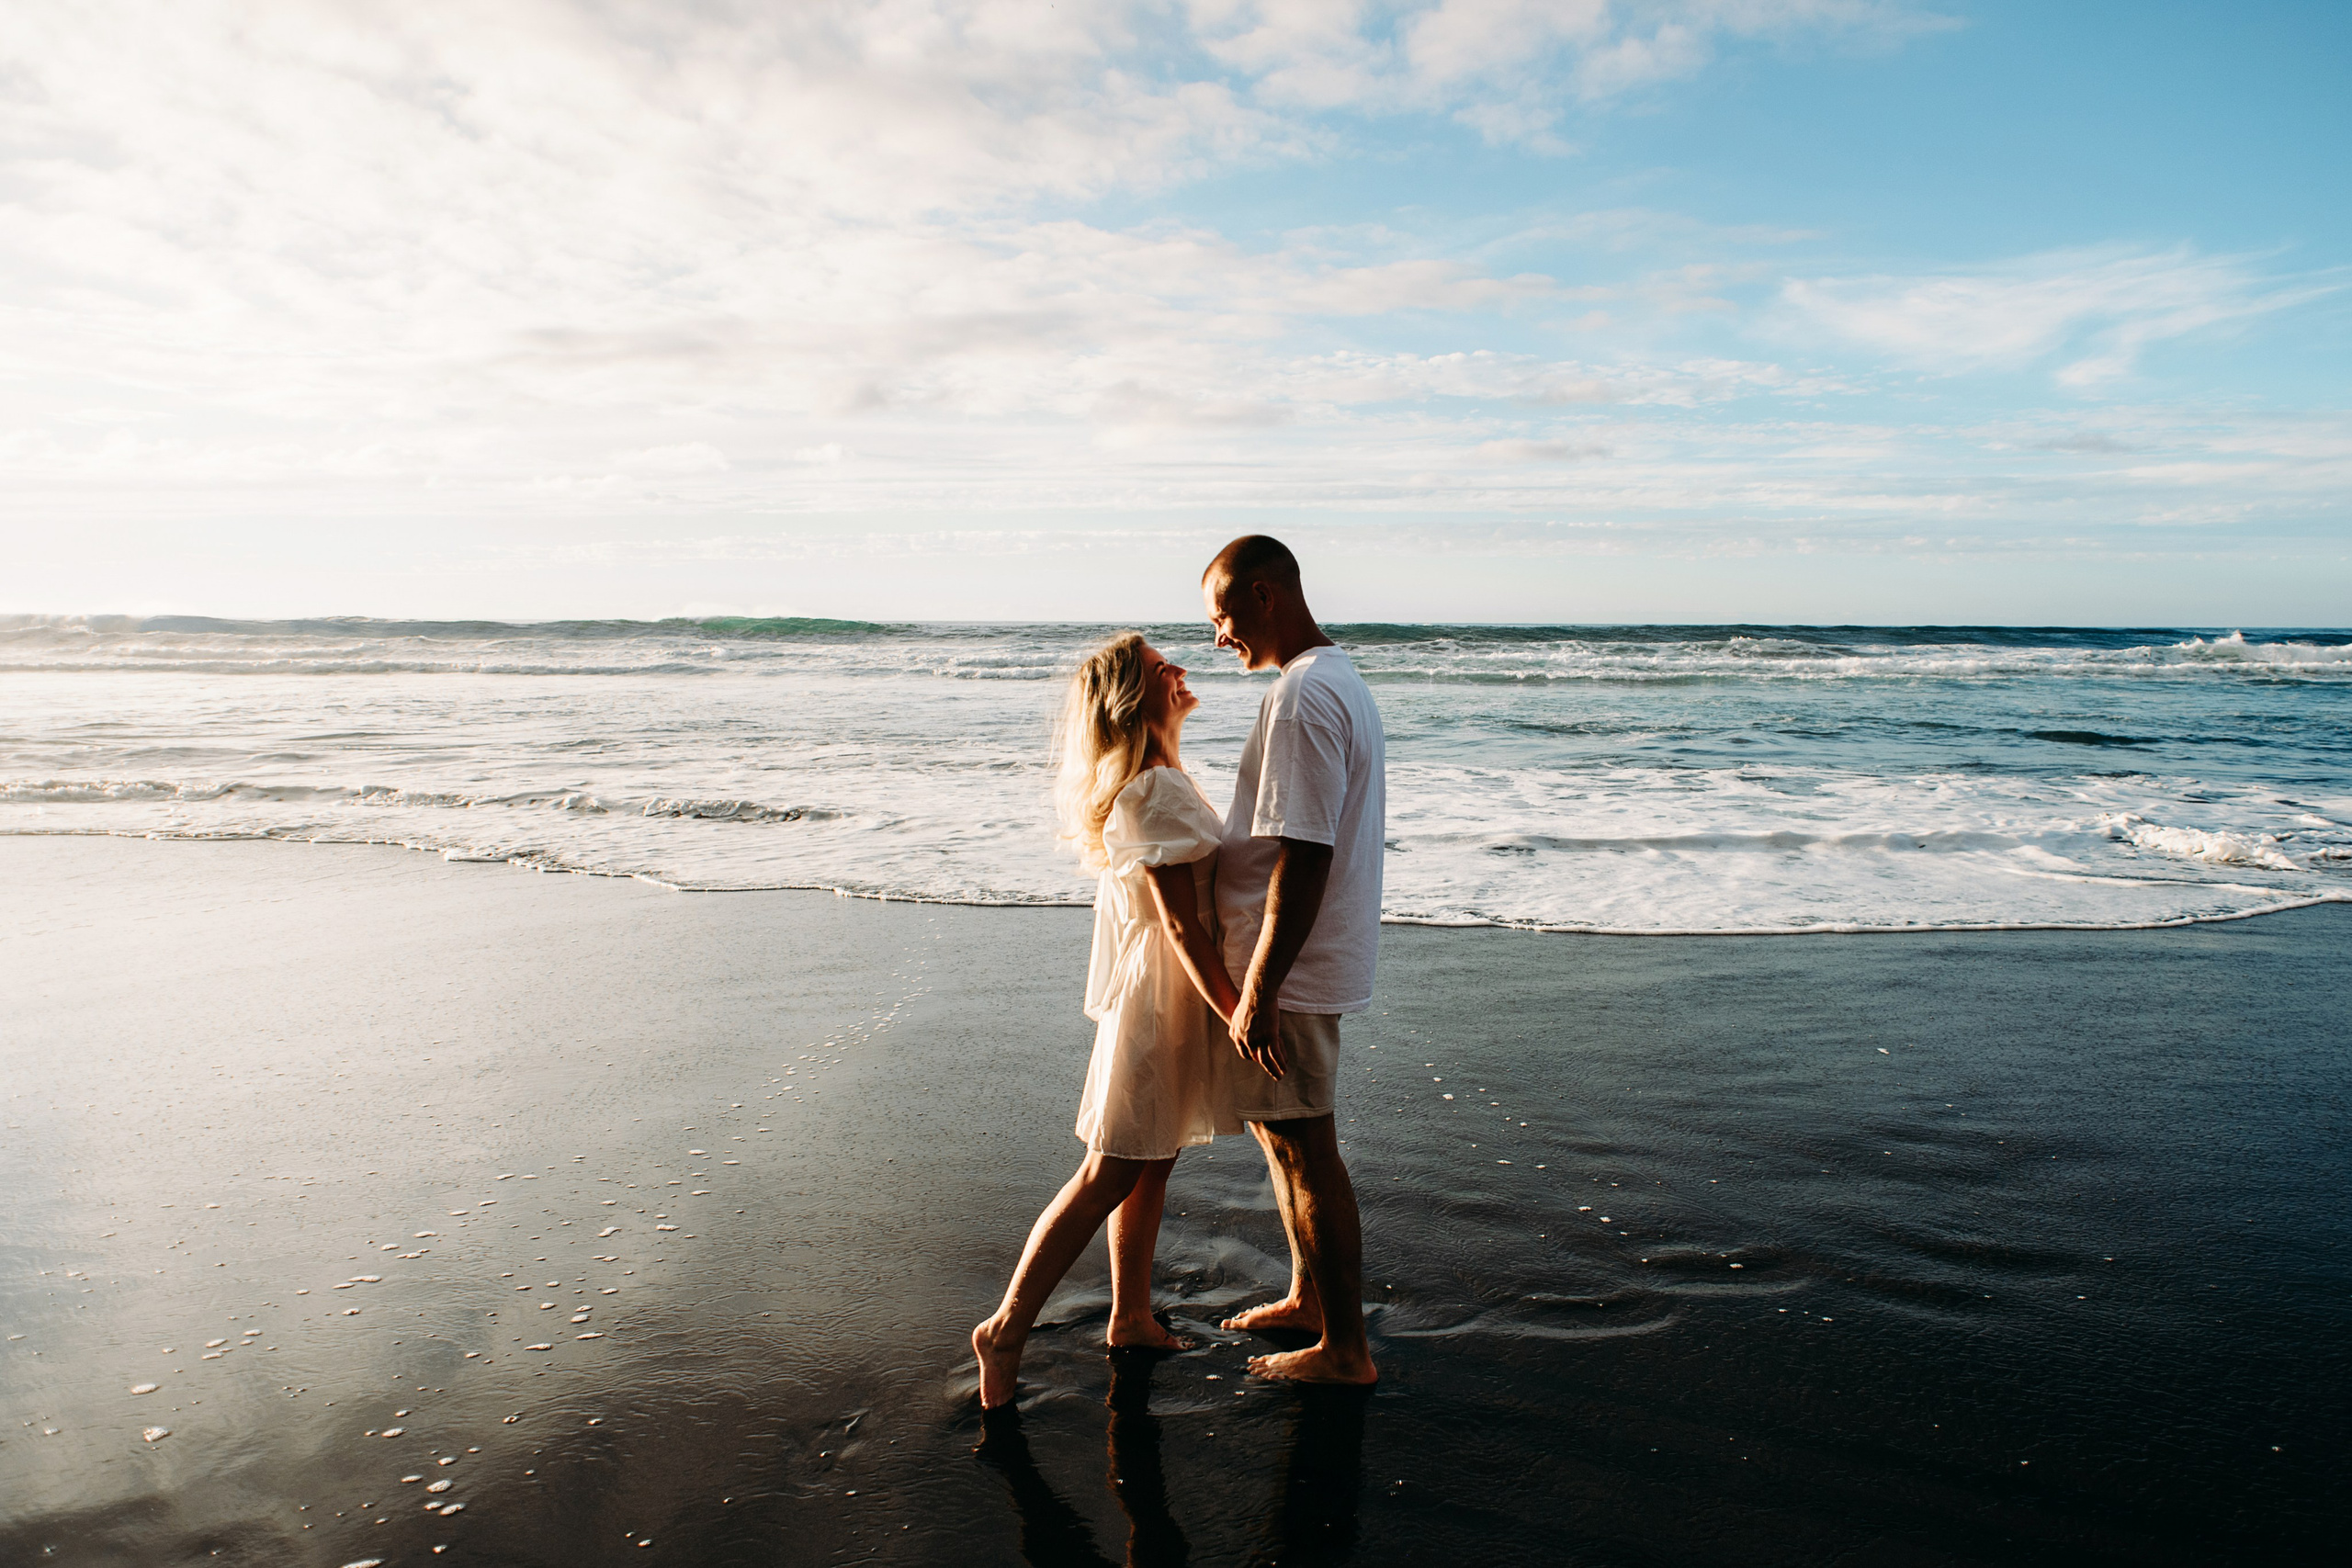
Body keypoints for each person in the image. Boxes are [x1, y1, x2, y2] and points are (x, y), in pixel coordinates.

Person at [972, 632, 1243, 1410]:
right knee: (1111, 1167)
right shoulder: (1154, 788)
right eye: (1164, 668)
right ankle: (1004, 1328)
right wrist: (1236, 1011)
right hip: (1160, 1003)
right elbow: (1184, 927)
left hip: (1165, 995)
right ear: (1134, 697)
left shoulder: (1161, 775)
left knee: (1150, 1160)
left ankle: (1128, 1315)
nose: (1182, 670)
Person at [1203, 535, 1384, 1386]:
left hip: (1293, 972)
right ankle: (1310, 1300)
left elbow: (1303, 855)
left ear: (1266, 596)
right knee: (1285, 1140)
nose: (1218, 637)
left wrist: (1262, 987)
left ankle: (1344, 1350)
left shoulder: (1306, 696)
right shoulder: (1324, 681)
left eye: (1222, 615)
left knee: (1308, 1147)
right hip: (1295, 965)